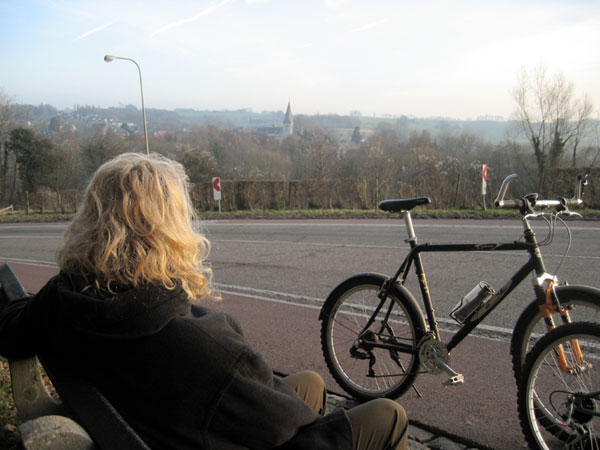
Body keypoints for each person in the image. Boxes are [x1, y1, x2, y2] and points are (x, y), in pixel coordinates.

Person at [0, 152, 408, 450]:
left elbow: (12, 326)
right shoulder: (207, 347)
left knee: (311, 382)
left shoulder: (64, 298)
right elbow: (289, 430)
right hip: (198, 424)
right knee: (387, 416)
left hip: (148, 422)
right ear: (172, 227)